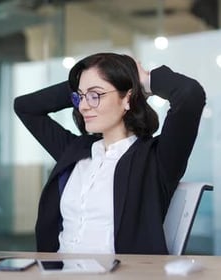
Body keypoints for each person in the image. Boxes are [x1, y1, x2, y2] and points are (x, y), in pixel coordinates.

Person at [13, 53, 206, 254]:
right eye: (79, 97)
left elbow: (190, 94)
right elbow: (25, 107)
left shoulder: (155, 160)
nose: (83, 106)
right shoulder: (76, 151)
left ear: (127, 99)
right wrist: (82, 84)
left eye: (95, 95)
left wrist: (146, 81)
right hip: (57, 272)